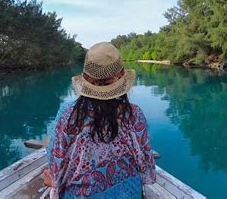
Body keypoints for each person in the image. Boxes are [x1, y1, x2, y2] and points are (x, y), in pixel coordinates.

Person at [45, 42, 156, 198]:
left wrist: (55, 184)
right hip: (128, 192)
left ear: (85, 77)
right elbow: (144, 161)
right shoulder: (134, 114)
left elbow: (56, 161)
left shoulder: (68, 114)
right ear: (122, 74)